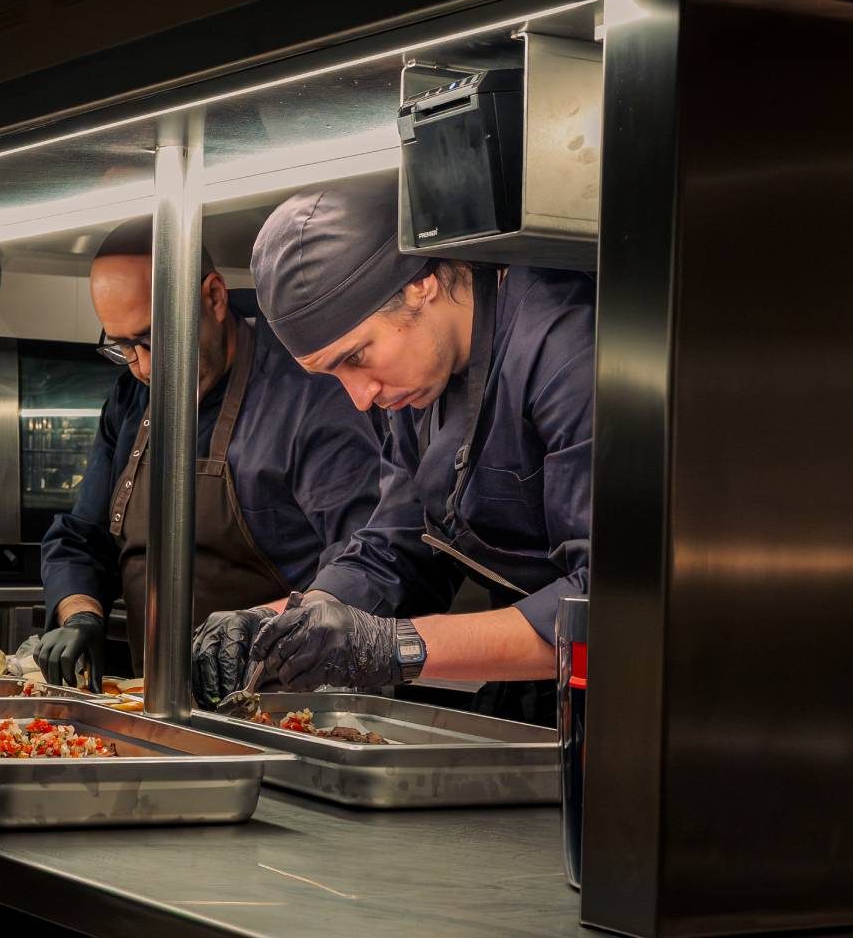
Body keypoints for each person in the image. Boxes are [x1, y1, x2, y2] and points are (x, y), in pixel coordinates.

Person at [196, 180, 593, 724]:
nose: (359, 397)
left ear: (421, 286)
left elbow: (605, 603)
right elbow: (394, 547)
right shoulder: (413, 390)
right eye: (331, 374)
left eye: (357, 356)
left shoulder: (568, 347)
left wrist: (397, 647)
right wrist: (288, 619)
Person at [36, 216, 382, 698]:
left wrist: (258, 626)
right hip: (161, 700)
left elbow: (364, 560)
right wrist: (80, 615)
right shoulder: (133, 399)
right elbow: (83, 537)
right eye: (123, 348)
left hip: (294, 705)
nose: (142, 367)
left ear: (215, 298)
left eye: (153, 340)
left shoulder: (309, 396)